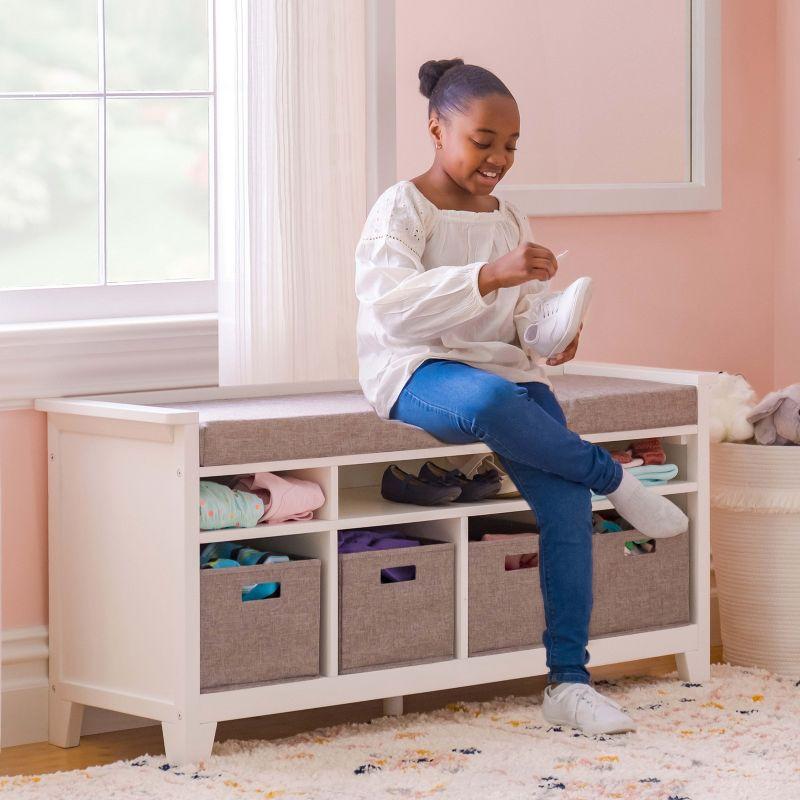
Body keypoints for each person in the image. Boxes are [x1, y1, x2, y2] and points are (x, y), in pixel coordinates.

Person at [354, 58, 688, 736]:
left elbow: (519, 322)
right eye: (484, 140)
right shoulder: (402, 208)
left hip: (507, 371)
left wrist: (549, 333)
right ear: (437, 129)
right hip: (418, 370)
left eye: (510, 145)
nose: (499, 158)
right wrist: (487, 273)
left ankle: (569, 683)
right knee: (488, 403)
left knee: (565, 507)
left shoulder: (507, 214)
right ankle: (613, 475)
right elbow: (390, 310)